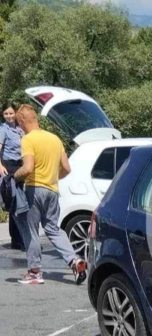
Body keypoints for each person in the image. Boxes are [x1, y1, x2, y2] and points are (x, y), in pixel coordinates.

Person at [13, 105, 86, 285]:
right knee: (53, 229)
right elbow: (67, 168)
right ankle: (74, 260)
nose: (18, 126)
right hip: (53, 190)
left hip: (33, 189)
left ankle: (35, 272)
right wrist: (53, 178)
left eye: (18, 122)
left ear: (22, 120)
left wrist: (14, 176)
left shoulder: (28, 139)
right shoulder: (55, 139)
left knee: (31, 230)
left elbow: (28, 168)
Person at [0, 102, 26, 249]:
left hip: (20, 165)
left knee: (19, 204)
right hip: (9, 167)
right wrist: (0, 166)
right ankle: (20, 240)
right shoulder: (3, 130)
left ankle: (17, 240)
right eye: (6, 114)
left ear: (15, 112)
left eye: (11, 113)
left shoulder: (19, 129)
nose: (9, 116)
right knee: (16, 203)